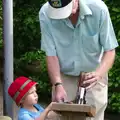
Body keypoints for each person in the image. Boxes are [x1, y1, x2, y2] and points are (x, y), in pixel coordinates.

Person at [39, 0, 119, 120]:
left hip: (93, 75)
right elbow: (51, 54)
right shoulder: (46, 12)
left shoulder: (99, 9)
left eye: (65, 10)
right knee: (60, 116)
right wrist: (57, 84)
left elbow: (110, 50)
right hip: (63, 75)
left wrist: (98, 74)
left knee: (93, 116)